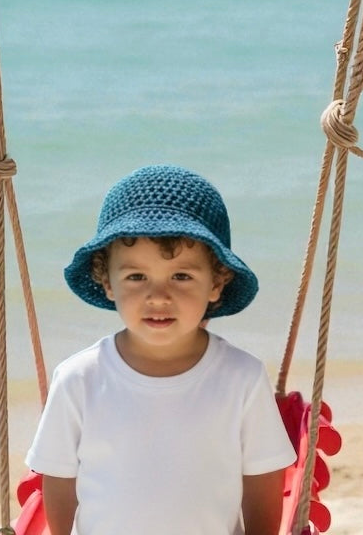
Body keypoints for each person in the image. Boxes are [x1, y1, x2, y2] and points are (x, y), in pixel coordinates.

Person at [25, 164, 296, 535]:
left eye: (181, 276)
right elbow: (58, 478)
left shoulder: (242, 377)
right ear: (106, 282)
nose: (158, 296)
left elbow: (263, 478)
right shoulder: (78, 378)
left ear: (217, 282)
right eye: (136, 277)